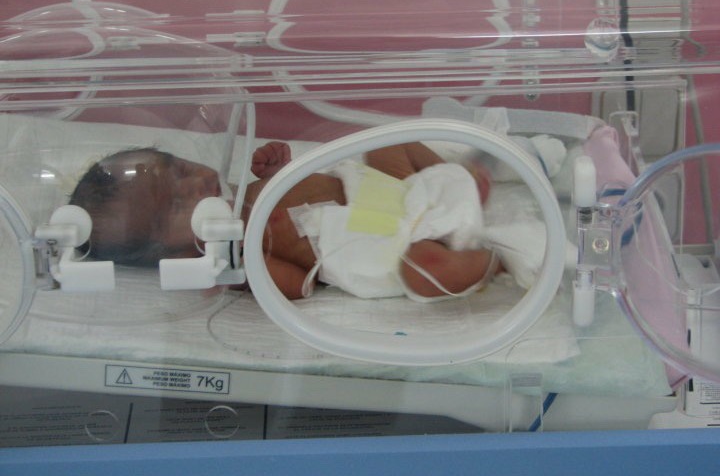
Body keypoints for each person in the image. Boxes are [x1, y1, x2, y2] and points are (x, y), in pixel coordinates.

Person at [70, 141, 497, 301]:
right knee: (425, 270)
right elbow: (300, 286)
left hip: (392, 194)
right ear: (179, 254)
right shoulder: (243, 250)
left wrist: (279, 172)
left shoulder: (249, 192)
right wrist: (248, 271)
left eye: (181, 170)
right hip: (387, 245)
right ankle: (490, 259)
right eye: (177, 205)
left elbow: (308, 186)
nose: (195, 185)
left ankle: (455, 184)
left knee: (390, 143)